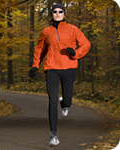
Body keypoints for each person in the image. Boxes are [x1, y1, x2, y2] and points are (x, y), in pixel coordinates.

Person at [29, 3, 91, 146]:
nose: (57, 13)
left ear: (64, 14)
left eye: (60, 11)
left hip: (69, 67)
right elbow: (40, 50)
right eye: (55, 11)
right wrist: (35, 66)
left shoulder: (73, 29)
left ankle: (65, 104)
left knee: (67, 99)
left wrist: (75, 53)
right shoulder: (46, 32)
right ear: (52, 14)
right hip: (51, 68)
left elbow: (86, 44)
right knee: (52, 100)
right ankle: (53, 135)